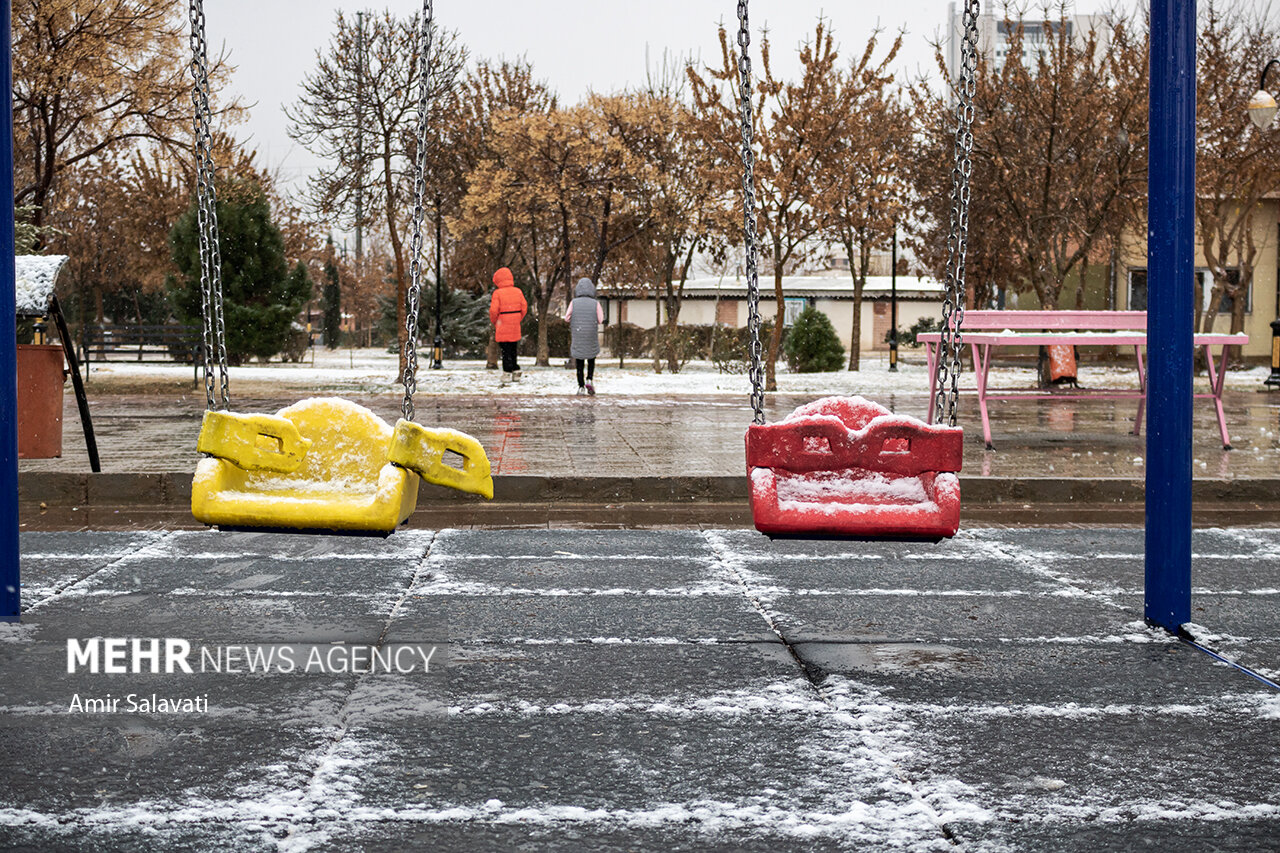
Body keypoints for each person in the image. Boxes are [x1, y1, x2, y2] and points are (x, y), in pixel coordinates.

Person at [489, 267, 527, 384]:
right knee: (513, 347)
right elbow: (524, 307)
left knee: (505, 349)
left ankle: (507, 372)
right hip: (515, 322)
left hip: (502, 322)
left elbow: (493, 311)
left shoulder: (498, 293)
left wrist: (495, 321)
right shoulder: (518, 291)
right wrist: (517, 318)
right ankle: (515, 369)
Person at [565, 277, 603, 396]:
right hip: (591, 334)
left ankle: (581, 386)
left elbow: (567, 318)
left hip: (578, 333)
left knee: (579, 361)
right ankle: (589, 379)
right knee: (591, 358)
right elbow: (601, 320)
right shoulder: (595, 303)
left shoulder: (573, 302)